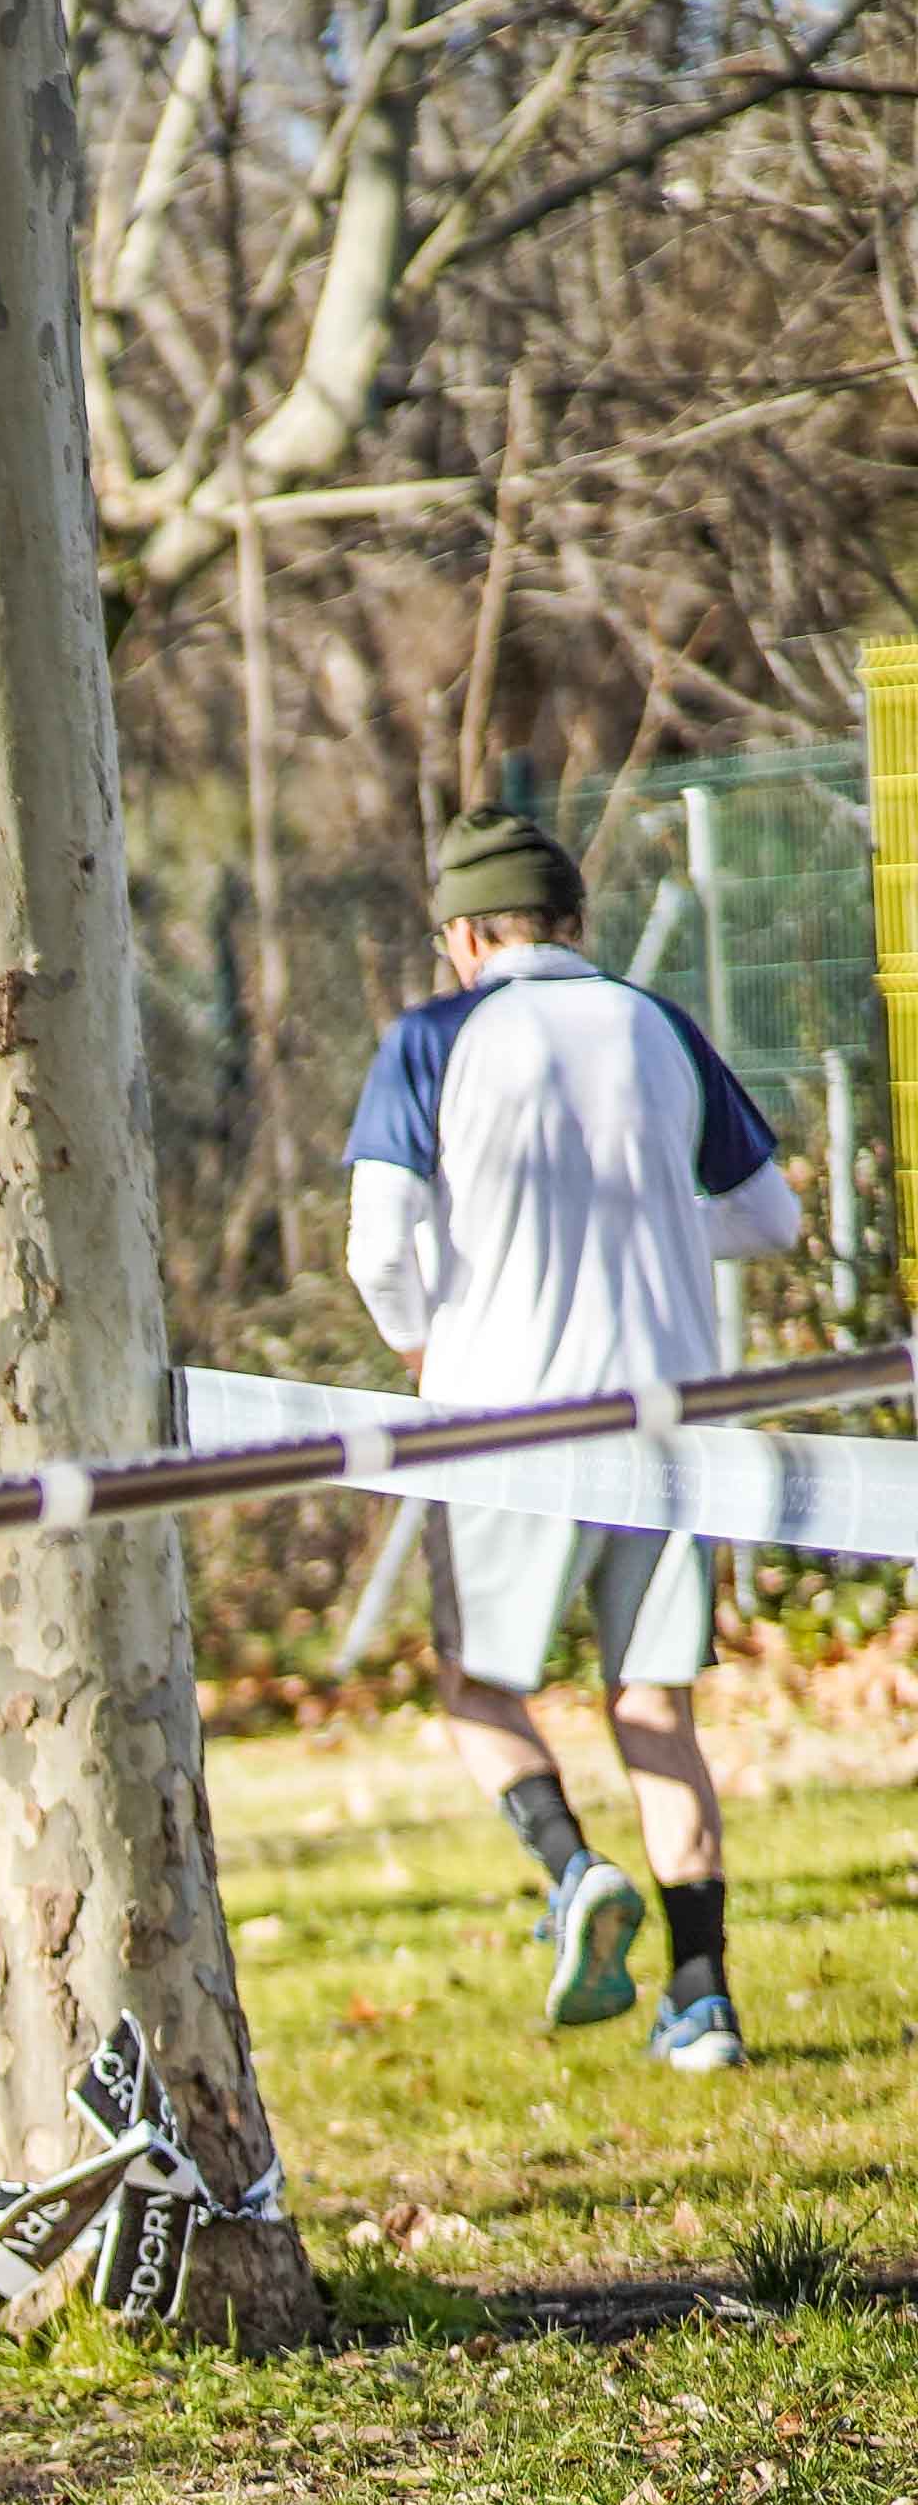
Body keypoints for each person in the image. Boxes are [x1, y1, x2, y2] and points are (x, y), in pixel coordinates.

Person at [344, 804, 806, 2074]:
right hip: (668, 1414)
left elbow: (378, 1243)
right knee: (654, 1703)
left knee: (476, 1681)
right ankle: (702, 1998)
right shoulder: (655, 1022)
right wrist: (654, 1227)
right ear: (575, 925)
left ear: (464, 935)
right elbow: (767, 1217)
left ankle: (571, 1868)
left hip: (503, 1414)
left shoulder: (436, 1037)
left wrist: (421, 1344)